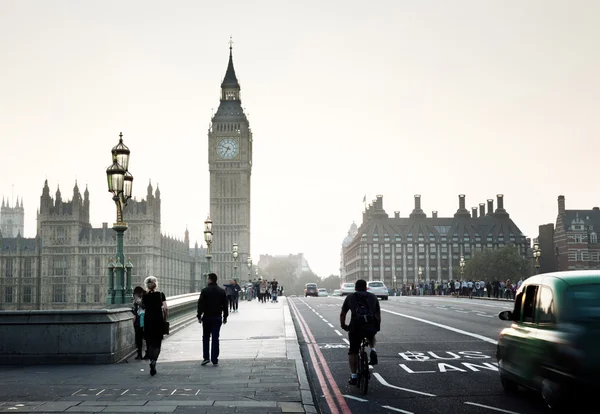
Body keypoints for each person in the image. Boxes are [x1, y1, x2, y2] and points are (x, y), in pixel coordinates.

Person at [339, 279, 381, 385]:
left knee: (353, 351)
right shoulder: (373, 297)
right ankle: (373, 350)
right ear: (366, 287)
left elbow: (343, 314)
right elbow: (378, 315)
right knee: (371, 333)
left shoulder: (350, 297)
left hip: (355, 328)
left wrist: (344, 325)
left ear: (355, 288)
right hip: (370, 326)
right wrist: (377, 327)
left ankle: (353, 377)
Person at [197, 272, 228, 366]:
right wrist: (225, 317)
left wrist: (199, 315)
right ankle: (215, 358)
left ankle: (206, 357)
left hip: (207, 317)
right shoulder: (222, 291)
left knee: (206, 337)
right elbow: (225, 306)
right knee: (215, 338)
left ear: (210, 279)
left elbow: (200, 304)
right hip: (217, 317)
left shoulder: (205, 291)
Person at [142, 276, 168, 376]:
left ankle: (150, 359)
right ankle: (154, 361)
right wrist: (164, 320)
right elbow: (165, 308)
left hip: (148, 320)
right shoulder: (160, 294)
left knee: (149, 341)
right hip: (158, 320)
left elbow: (143, 307)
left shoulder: (145, 296)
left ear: (147, 285)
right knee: (157, 342)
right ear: (156, 284)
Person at [131, 286, 148, 360]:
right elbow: (135, 309)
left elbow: (146, 307)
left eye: (137, 294)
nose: (136, 296)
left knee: (146, 337)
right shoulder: (136, 299)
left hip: (145, 319)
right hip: (138, 320)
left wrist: (140, 303)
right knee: (138, 338)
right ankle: (139, 354)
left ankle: (147, 353)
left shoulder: (146, 297)